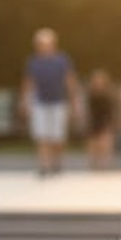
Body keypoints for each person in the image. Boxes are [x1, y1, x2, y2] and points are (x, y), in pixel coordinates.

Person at [21, 27, 81, 177]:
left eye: (46, 43)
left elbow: (70, 81)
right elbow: (29, 83)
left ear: (53, 44)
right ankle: (44, 165)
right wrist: (25, 102)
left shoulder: (62, 60)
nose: (43, 46)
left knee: (58, 136)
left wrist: (75, 102)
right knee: (42, 135)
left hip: (58, 102)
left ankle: (57, 162)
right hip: (40, 103)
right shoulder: (34, 62)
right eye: (41, 44)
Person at [83, 68, 116, 170]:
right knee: (92, 145)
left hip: (104, 122)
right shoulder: (90, 95)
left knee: (105, 143)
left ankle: (104, 166)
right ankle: (93, 166)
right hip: (93, 122)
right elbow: (87, 111)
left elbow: (110, 112)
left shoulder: (108, 96)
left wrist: (110, 125)